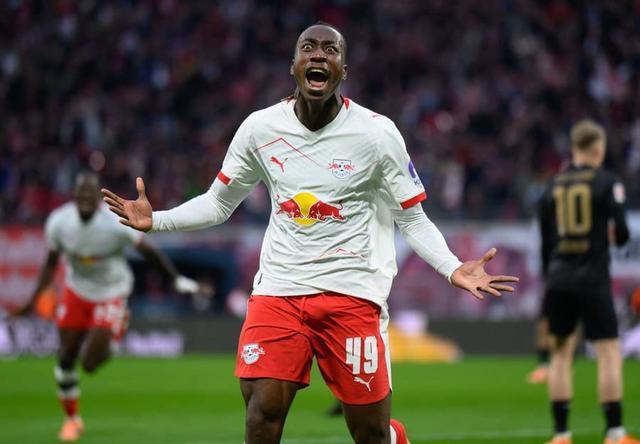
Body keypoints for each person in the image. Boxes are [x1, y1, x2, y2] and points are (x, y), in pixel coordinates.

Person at [102, 23, 518, 444]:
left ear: (343, 71)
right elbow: (218, 203)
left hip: (352, 293)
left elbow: (411, 218)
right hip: (279, 291)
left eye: (330, 50)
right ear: (294, 65)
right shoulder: (260, 128)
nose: (319, 55)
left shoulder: (377, 134)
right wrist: (158, 220)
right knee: (262, 412)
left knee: (371, 434)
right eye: (309, 47)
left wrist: (451, 268)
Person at [22, 172, 209, 442]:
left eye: (90, 193)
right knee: (65, 356)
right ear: (74, 196)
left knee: (89, 363)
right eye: (81, 193)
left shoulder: (113, 222)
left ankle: (115, 331)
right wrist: (32, 300)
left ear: (96, 197)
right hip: (76, 291)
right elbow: (51, 263)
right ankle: (72, 420)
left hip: (111, 292)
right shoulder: (59, 222)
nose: (86, 198)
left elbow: (148, 252)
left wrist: (176, 280)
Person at [538, 120, 638, 444]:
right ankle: (614, 432)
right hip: (593, 278)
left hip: (559, 279)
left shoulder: (552, 185)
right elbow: (622, 232)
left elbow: (545, 244)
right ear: (598, 149)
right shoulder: (607, 181)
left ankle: (561, 434)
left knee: (560, 355)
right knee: (608, 352)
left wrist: (550, 278)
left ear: (574, 149)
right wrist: (609, 235)